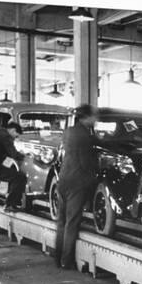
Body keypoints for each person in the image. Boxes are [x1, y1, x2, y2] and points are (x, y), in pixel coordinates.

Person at [55, 104, 99, 269]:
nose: (95, 120)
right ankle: (67, 261)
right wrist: (94, 177)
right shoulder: (85, 136)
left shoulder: (69, 131)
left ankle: (58, 257)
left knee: (62, 221)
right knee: (72, 222)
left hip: (64, 178)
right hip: (77, 182)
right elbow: (86, 162)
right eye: (93, 116)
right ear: (86, 117)